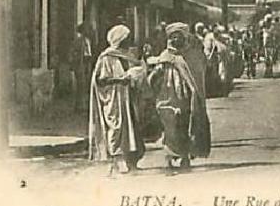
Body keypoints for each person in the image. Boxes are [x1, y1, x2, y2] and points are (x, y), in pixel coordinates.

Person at [147, 23, 211, 172]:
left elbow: (198, 73)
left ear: (184, 37)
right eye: (172, 36)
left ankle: (184, 157)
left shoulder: (191, 56)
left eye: (179, 36)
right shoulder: (165, 55)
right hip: (166, 96)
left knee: (184, 126)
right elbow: (156, 74)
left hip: (185, 97)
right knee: (169, 127)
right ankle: (169, 159)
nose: (175, 39)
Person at [88, 25, 147, 175]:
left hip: (128, 98)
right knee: (116, 128)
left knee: (133, 128)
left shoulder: (128, 56)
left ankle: (132, 161)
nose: (130, 41)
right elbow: (100, 80)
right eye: (127, 38)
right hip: (114, 99)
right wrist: (119, 80)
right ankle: (116, 161)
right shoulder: (106, 57)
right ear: (119, 40)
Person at [70, 22, 93, 111]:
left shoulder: (88, 40)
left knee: (86, 84)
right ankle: (78, 105)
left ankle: (84, 104)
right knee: (80, 84)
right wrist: (75, 64)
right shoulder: (78, 41)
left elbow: (89, 52)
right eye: (86, 30)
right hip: (80, 64)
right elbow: (73, 53)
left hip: (87, 63)